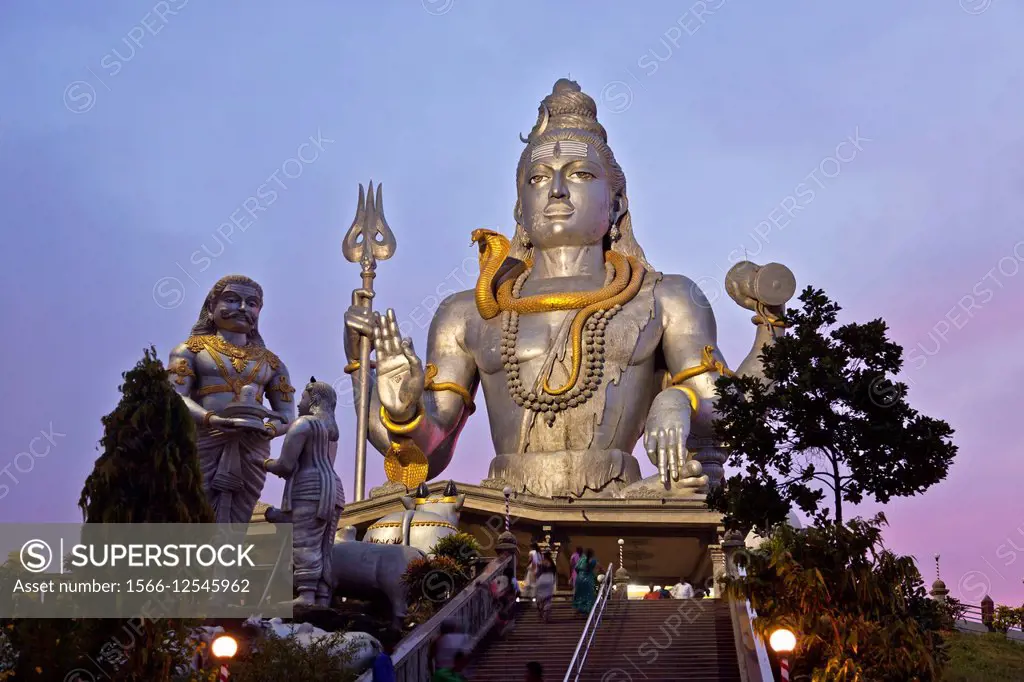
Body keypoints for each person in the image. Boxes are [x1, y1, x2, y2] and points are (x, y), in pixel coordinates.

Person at [572, 548, 598, 615]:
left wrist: (580, 574)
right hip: (588, 578)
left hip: (580, 578)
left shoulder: (582, 559)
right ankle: (587, 609)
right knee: (588, 594)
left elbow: (576, 567)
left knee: (579, 593)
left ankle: (579, 609)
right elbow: (594, 569)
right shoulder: (593, 560)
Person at [535, 555, 556, 622]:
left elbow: (537, 573)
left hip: (541, 579)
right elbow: (554, 572)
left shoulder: (541, 563)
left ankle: (540, 611)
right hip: (550, 579)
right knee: (548, 598)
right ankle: (546, 612)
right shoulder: (552, 564)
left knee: (539, 597)